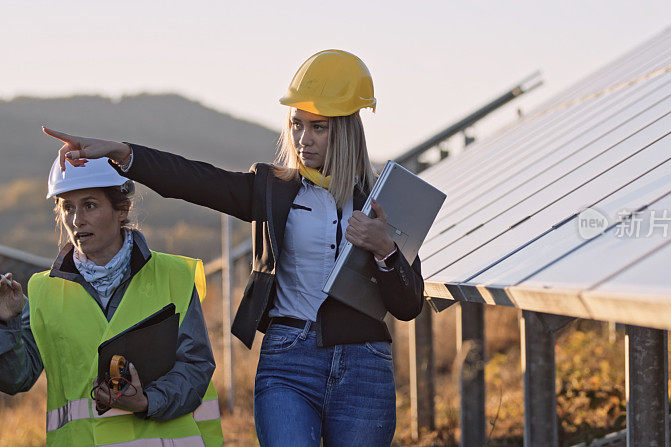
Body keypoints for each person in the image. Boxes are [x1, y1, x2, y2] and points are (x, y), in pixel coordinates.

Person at [42, 49, 424, 446]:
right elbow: (195, 179)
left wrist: (385, 250)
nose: (302, 139)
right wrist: (125, 154)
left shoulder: (383, 199)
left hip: (364, 366)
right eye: (296, 124)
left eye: (319, 128)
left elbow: (408, 305)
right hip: (288, 360)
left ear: (346, 130)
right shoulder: (272, 188)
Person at [0, 157, 223, 446]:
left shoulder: (174, 276)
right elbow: (18, 379)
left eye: (89, 205)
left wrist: (147, 402)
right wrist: (7, 321)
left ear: (122, 209)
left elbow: (195, 366)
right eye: (67, 207)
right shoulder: (43, 290)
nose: (77, 220)